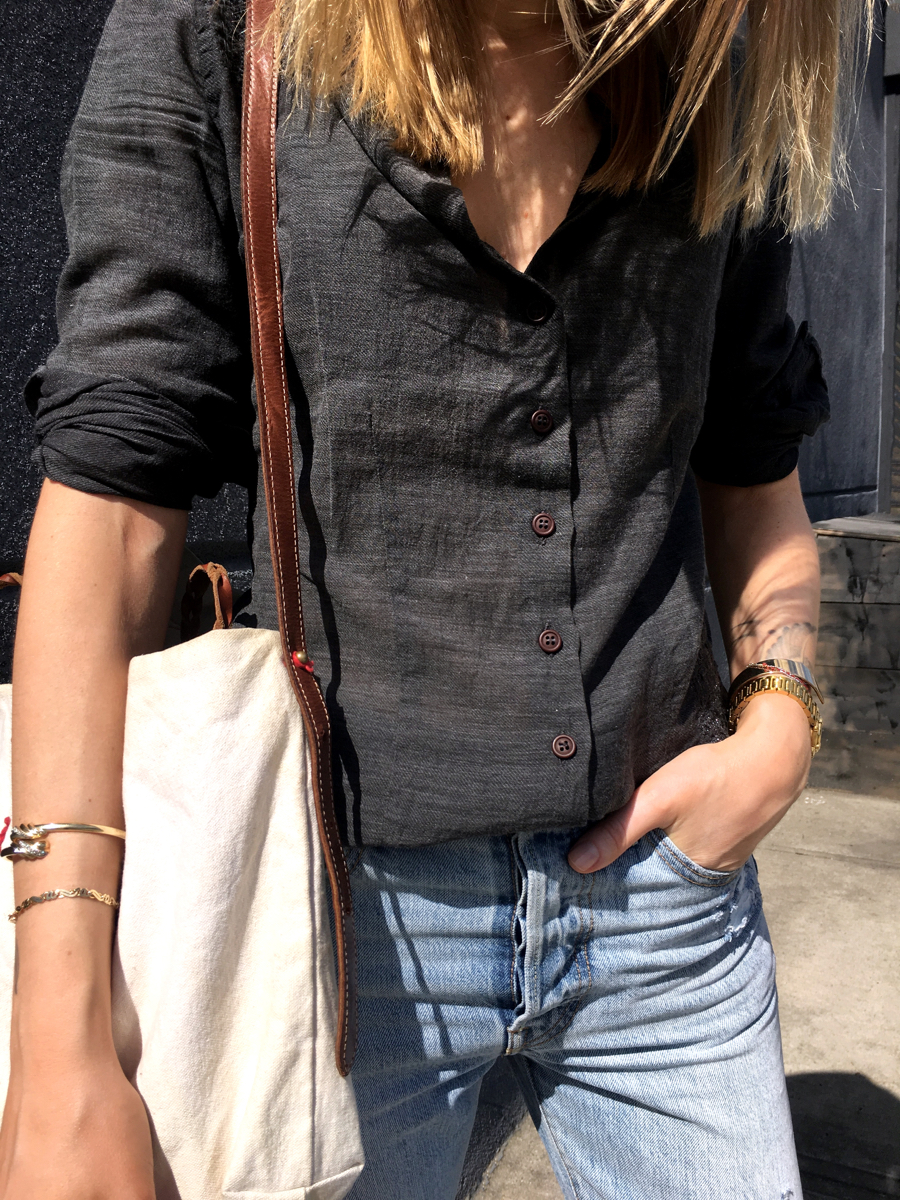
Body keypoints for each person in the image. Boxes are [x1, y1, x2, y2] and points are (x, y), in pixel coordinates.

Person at [0, 0, 865, 1195]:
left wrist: (778, 722)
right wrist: (58, 1047)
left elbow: (757, 469)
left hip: (668, 914)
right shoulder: (224, 26)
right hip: (346, 934)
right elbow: (108, 507)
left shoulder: (720, 51)